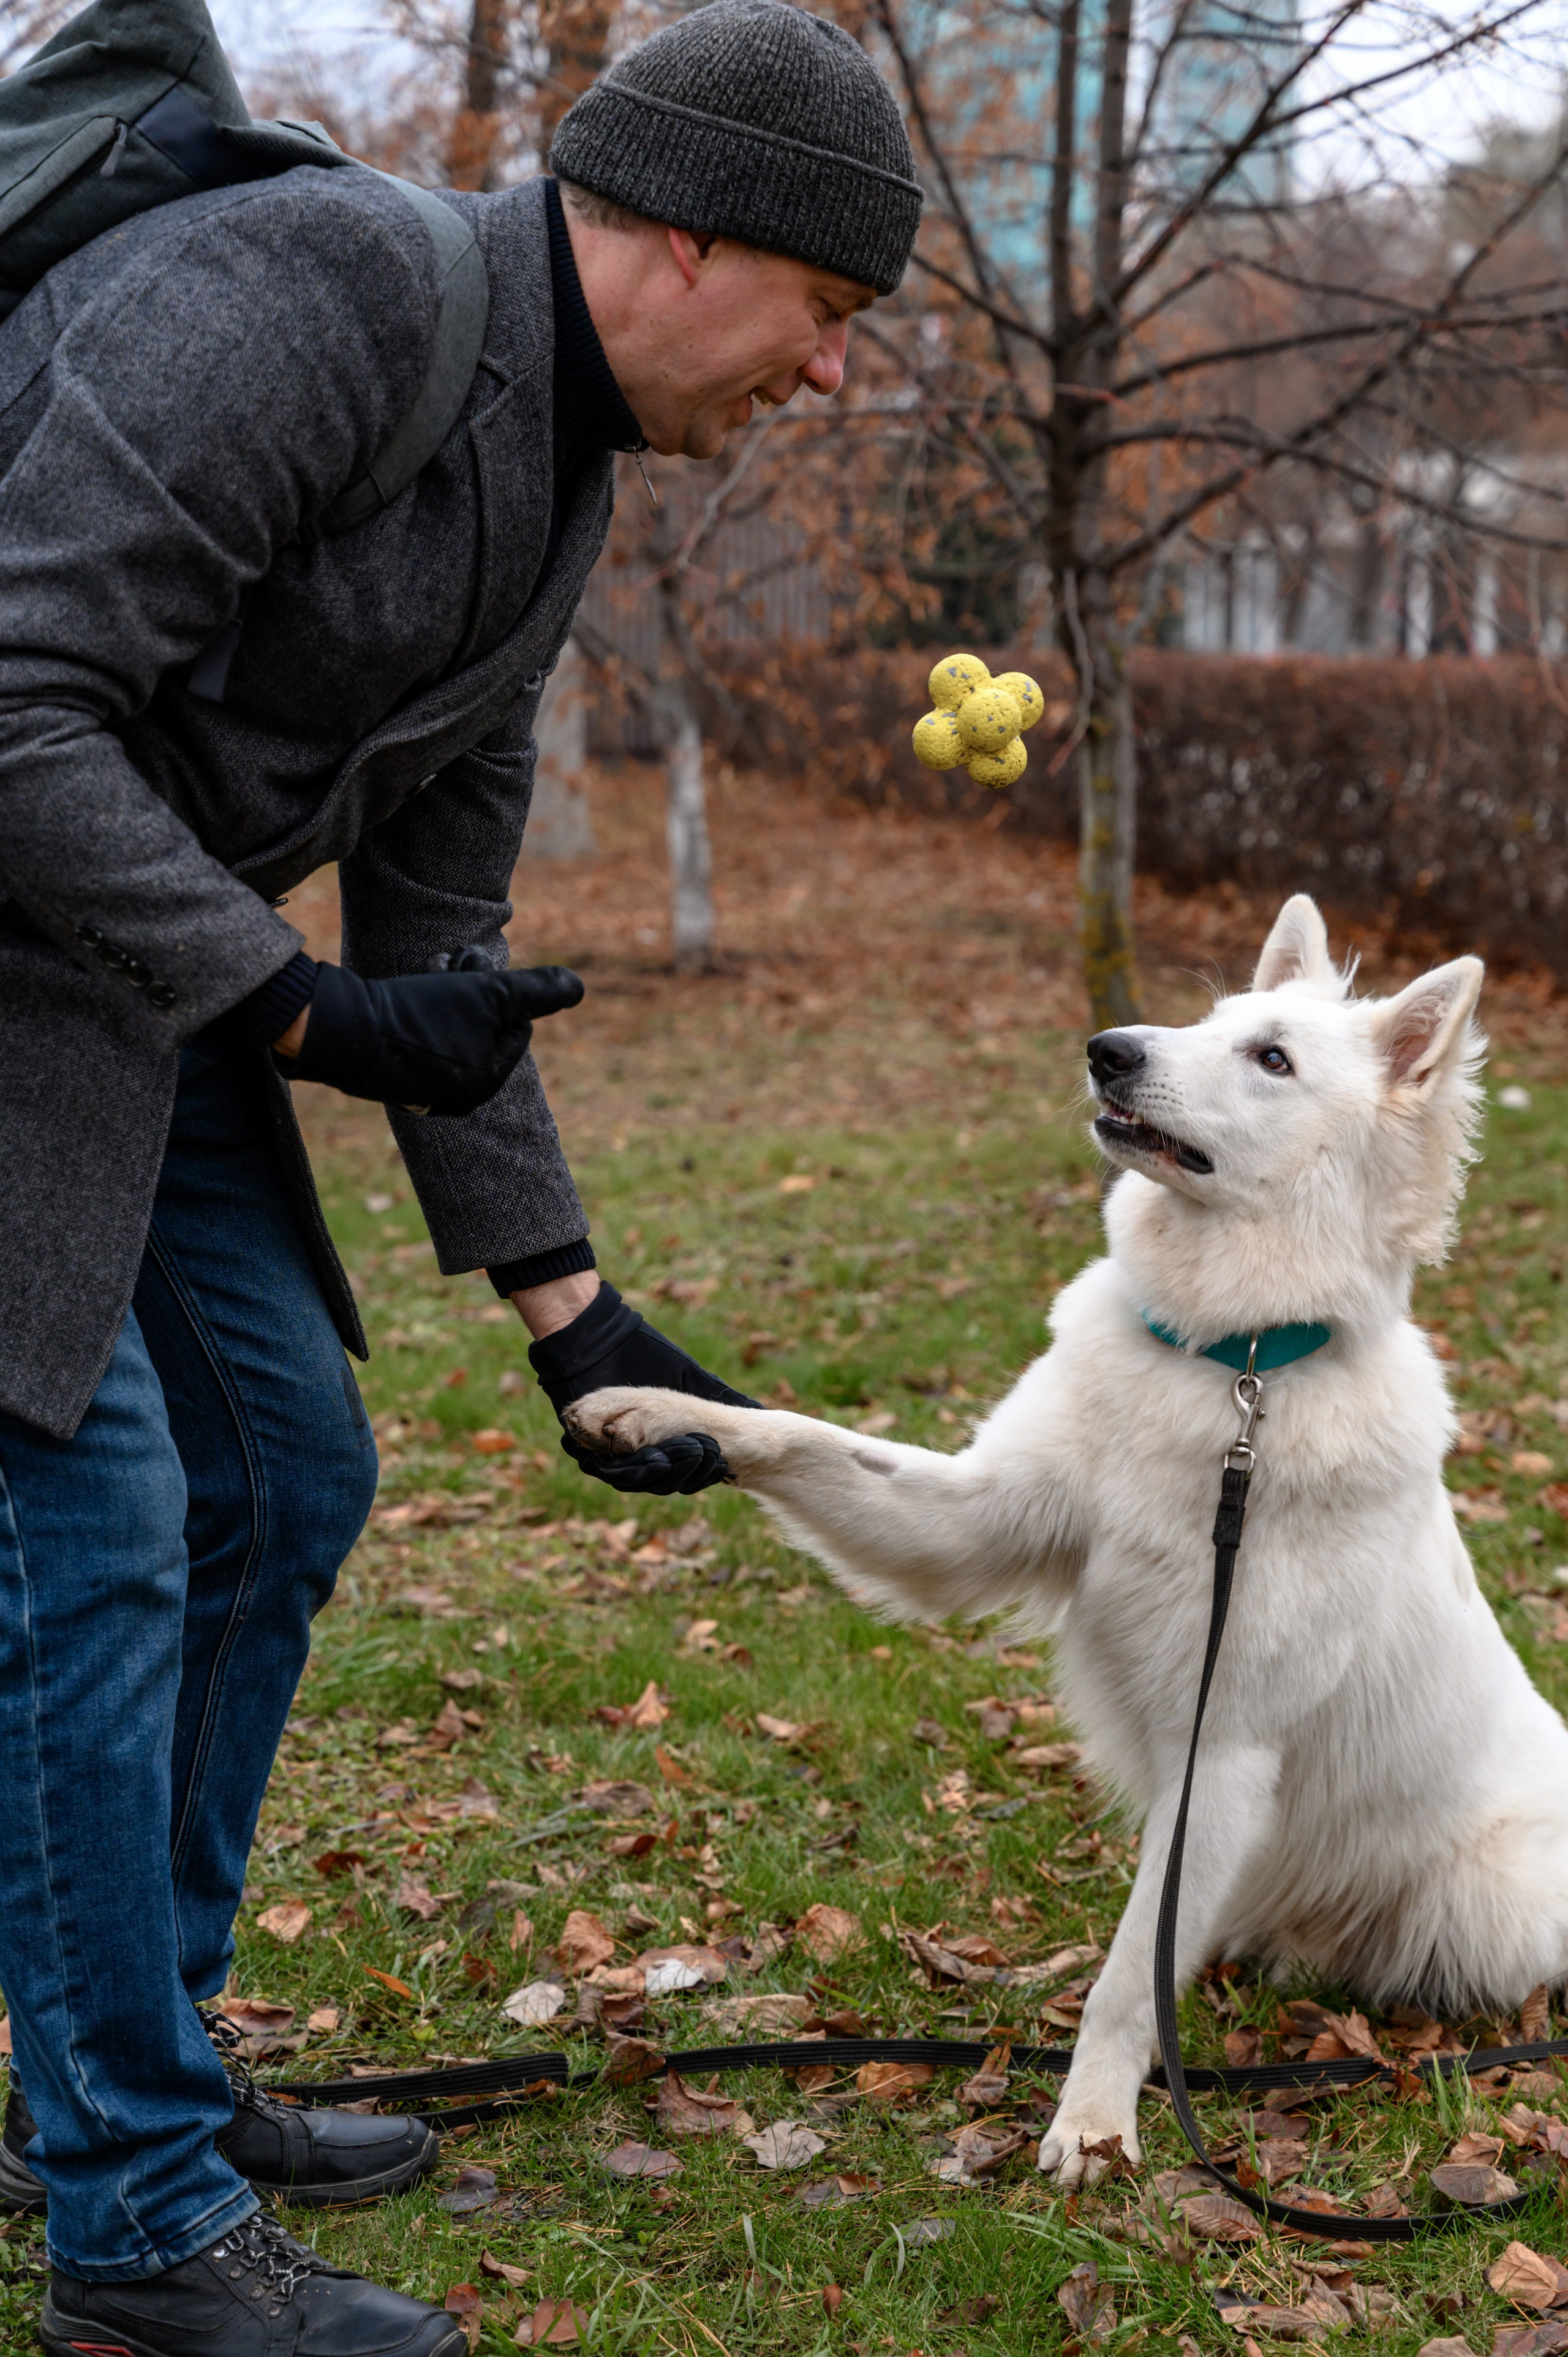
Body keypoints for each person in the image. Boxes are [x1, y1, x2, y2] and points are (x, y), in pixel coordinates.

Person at [0, 1, 921, 2350]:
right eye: (829, 316)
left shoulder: (556, 476)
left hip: (120, 981)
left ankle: (129, 2069)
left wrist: (571, 1314)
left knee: (286, 1476)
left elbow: (440, 941)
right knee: (92, 1543)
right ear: (693, 242)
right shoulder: (320, 294)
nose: (828, 380)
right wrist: (290, 1009)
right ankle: (129, 2228)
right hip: (47, 965)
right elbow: (9, 692)